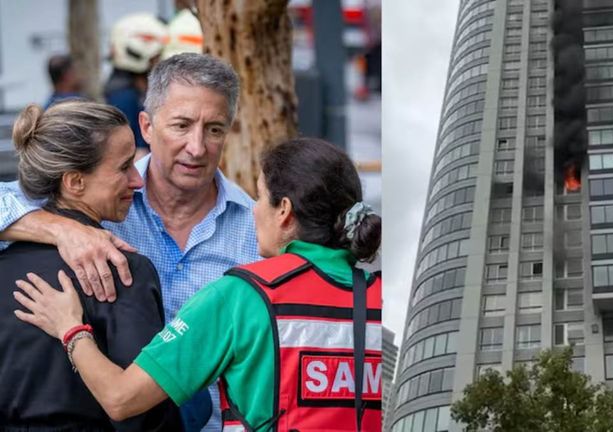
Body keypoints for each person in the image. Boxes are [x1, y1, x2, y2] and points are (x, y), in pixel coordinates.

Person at [13, 137, 383, 432]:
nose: (253, 208)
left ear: (284, 211)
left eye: (260, 196)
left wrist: (71, 329)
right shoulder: (379, 294)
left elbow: (121, 399)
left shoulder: (242, 296)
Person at [0, 53, 257, 431]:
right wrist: (60, 230)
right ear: (147, 126)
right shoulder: (95, 198)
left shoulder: (257, 234)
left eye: (214, 129)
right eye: (181, 125)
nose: (197, 147)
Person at [0, 101, 181, 430]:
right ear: (74, 182)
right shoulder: (124, 271)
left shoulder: (5, 264)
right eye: (124, 167)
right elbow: (145, 416)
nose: (137, 181)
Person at [105, 13, 168, 162]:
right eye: (156, 56)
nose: (159, 60)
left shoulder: (125, 89)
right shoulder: (125, 96)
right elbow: (136, 152)